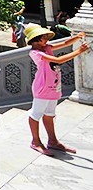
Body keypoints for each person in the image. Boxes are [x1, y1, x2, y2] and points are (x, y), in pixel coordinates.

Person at [24, 24, 88, 155]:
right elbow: (58, 60)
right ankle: (35, 142)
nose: (46, 40)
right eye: (44, 38)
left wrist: (76, 37)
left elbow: (65, 43)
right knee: (36, 114)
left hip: (53, 86)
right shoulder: (36, 53)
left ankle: (52, 141)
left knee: (50, 114)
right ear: (35, 40)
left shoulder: (46, 47)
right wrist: (78, 51)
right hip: (42, 87)